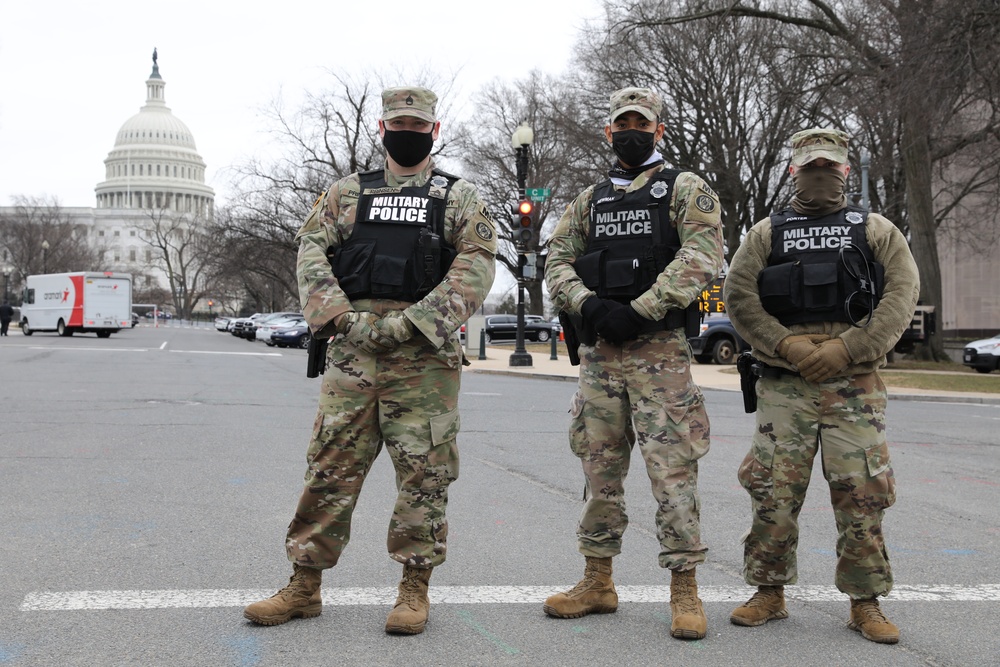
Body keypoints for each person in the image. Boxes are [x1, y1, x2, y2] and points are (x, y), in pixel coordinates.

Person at [244, 86, 497, 635]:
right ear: (382, 130)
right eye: (398, 123)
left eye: (418, 124)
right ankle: (303, 585)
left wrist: (412, 322)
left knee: (424, 474)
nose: (407, 131)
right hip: (352, 351)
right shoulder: (345, 193)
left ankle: (414, 588)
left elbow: (475, 269)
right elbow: (311, 252)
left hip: (423, 358)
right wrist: (342, 317)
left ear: (434, 130)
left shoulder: (459, 199)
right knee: (329, 467)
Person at [723, 128, 919, 644]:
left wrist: (848, 347)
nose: (819, 176)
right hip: (784, 383)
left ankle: (864, 602)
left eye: (829, 168)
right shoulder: (766, 234)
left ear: (845, 172)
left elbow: (902, 294)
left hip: (853, 385)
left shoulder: (875, 230)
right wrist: (787, 346)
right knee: (772, 488)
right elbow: (739, 296)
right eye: (810, 167)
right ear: (793, 170)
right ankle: (768, 592)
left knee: (863, 491)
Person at [543, 87, 725, 640]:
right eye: (621, 122)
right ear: (608, 131)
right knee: (599, 472)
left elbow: (703, 255)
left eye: (640, 123)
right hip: (601, 355)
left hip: (659, 353)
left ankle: (685, 589)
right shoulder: (590, 198)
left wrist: (642, 308)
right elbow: (556, 259)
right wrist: (588, 304)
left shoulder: (684, 188)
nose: (630, 131)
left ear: (658, 130)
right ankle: (598, 581)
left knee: (672, 474)